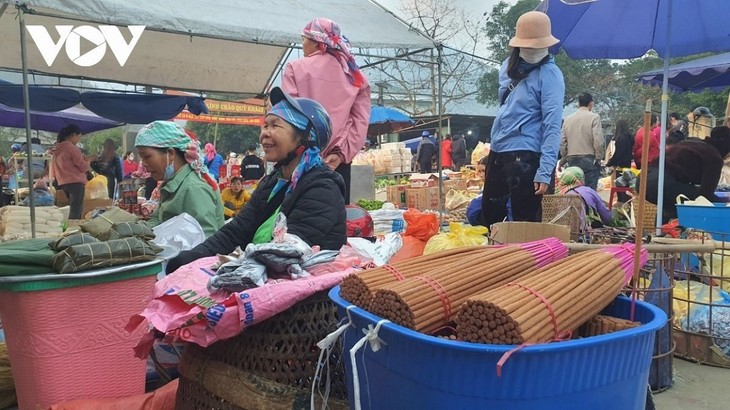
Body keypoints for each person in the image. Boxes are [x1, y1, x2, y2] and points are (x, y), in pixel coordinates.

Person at [166, 88, 347, 274]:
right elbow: (237, 230)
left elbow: (286, 253)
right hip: (263, 274)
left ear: (306, 137)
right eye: (265, 125)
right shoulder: (273, 182)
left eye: (275, 126)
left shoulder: (322, 187)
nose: (264, 133)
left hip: (304, 289)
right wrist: (193, 256)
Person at [479, 11, 565, 226]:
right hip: (499, 150)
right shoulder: (507, 67)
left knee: (525, 224)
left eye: (537, 45)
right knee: (489, 221)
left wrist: (545, 171)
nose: (532, 50)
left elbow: (552, 125)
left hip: (528, 156)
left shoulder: (550, 75)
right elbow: (505, 108)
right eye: (528, 45)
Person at [282, 17, 371, 204]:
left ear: (316, 41)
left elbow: (289, 119)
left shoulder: (294, 68)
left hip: (301, 162)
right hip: (338, 162)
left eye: (304, 39)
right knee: (335, 219)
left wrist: (305, 154)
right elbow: (360, 123)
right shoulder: (355, 76)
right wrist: (340, 155)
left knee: (299, 221)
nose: (303, 45)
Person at [135, 121, 224, 237]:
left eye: (147, 156)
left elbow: (205, 239)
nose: (143, 164)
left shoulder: (193, 188)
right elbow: (156, 222)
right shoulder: (171, 184)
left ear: (171, 154)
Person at [642, 139, 724, 222]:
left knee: (671, 204)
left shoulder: (689, 143)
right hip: (660, 181)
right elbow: (706, 194)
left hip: (643, 178)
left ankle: (661, 231)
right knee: (705, 200)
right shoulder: (714, 157)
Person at [560, 92, 603, 190]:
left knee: (574, 190)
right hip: (588, 159)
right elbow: (597, 140)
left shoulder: (567, 119)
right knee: (589, 192)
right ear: (591, 104)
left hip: (572, 160)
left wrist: (564, 157)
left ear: (578, 104)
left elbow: (562, 142)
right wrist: (598, 157)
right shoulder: (594, 117)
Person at [51, 124, 93, 219]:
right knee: (76, 210)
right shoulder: (72, 148)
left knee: (72, 208)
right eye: (79, 137)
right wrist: (89, 160)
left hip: (63, 182)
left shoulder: (57, 149)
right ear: (74, 135)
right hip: (76, 183)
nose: (78, 140)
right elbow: (83, 167)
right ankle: (73, 229)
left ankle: (71, 227)